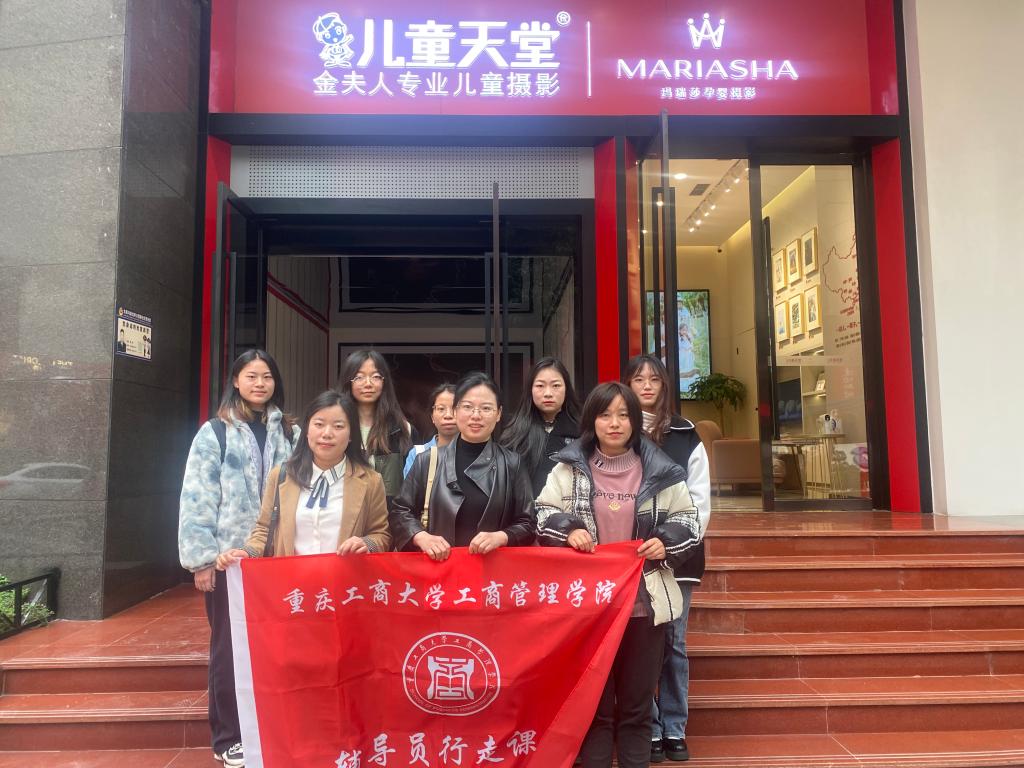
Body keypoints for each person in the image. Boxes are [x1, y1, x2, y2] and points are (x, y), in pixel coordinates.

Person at [536, 382, 701, 768]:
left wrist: (665, 541)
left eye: (624, 415)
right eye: (605, 415)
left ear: (635, 421)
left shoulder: (661, 471)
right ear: (591, 420)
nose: (614, 423)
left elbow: (689, 521)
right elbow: (542, 513)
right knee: (594, 708)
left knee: (636, 708)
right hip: (589, 611)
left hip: (644, 608)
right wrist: (568, 529)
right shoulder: (568, 468)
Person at [178, 349, 298, 768]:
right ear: (235, 381)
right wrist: (201, 559)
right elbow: (197, 496)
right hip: (229, 561)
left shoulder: (291, 433)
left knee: (277, 646)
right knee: (229, 649)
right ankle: (228, 736)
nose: (260, 384)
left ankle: (270, 726)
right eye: (251, 376)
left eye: (267, 376)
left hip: (279, 560)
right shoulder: (215, 432)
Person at [624, 355, 711, 764]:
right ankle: (651, 726)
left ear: (664, 386)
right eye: (638, 379)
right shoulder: (616, 431)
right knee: (641, 644)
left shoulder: (685, 433)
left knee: (673, 642)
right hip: (629, 558)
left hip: (678, 558)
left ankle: (675, 726)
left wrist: (673, 544)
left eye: (653, 379)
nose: (646, 386)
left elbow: (699, 502)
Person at [216, 390, 390, 566]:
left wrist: (367, 543)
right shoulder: (281, 476)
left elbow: (381, 534)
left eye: (338, 426)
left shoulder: (371, 481)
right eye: (319, 424)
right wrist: (248, 552)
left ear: (351, 434)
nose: (327, 433)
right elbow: (264, 530)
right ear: (307, 430)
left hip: (343, 580)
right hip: (292, 580)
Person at [389, 372, 536, 559]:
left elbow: (528, 522)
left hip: (492, 571)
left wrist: (502, 537)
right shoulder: (427, 461)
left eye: (486, 408)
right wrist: (421, 536)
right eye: (467, 407)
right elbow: (400, 511)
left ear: (498, 413)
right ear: (456, 410)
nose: (476, 415)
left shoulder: (512, 463)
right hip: (439, 569)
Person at [336, 350, 415, 503]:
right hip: (343, 513)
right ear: (348, 382)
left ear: (384, 382)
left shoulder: (402, 430)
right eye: (359, 377)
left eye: (376, 376)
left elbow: (413, 486)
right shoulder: (335, 428)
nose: (368, 383)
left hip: (388, 516)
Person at [500, 356, 581, 496]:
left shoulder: (583, 431)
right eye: (540, 386)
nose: (548, 393)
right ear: (530, 390)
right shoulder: (514, 434)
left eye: (556, 385)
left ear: (567, 389)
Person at [403, 383, 458, 477]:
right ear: (432, 416)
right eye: (441, 409)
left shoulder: (475, 453)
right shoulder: (417, 454)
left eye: (454, 408)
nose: (448, 415)